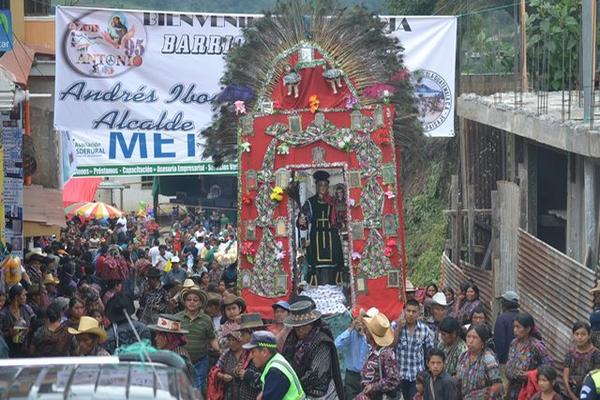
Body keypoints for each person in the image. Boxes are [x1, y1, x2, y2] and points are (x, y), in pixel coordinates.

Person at [282, 300, 345, 399]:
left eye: (303, 326)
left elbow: (315, 374)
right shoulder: (292, 340)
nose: (300, 330)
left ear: (311, 324)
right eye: (297, 328)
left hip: (319, 395)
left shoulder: (322, 342)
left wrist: (292, 385)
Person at [297, 170, 345, 285]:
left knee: (335, 257)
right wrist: (301, 220)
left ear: (328, 186)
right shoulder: (310, 202)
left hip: (331, 234)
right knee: (315, 259)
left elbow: (340, 216)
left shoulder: (333, 201)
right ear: (317, 186)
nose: (322, 187)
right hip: (316, 235)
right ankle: (316, 283)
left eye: (325, 185)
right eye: (320, 185)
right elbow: (302, 220)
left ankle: (334, 283)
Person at [175, 286, 219, 390]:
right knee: (182, 388)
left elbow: (212, 338)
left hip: (200, 361)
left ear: (200, 303)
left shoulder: (206, 319)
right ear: (185, 302)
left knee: (197, 388)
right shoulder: (177, 318)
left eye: (195, 300)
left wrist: (219, 349)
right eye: (189, 300)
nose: (192, 302)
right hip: (181, 361)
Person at [243, 330, 305, 400]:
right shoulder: (275, 360)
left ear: (264, 352)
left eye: (253, 351)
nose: (251, 356)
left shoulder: (276, 372)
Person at [393, 299, 434, 400]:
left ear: (418, 313)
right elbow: (391, 345)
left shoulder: (424, 329)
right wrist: (398, 328)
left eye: (414, 311)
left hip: (416, 376)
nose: (411, 314)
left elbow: (430, 352)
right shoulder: (395, 326)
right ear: (404, 311)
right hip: (399, 376)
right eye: (408, 311)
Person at [505, 313, 553, 400]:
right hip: (513, 388)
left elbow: (549, 365)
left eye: (518, 327)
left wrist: (532, 373)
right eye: (514, 327)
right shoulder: (513, 343)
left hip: (527, 389)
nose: (515, 330)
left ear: (527, 329)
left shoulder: (536, 345)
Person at [355, 311, 400, 400]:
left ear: (370, 335)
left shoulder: (386, 355)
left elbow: (393, 380)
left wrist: (373, 386)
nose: (365, 331)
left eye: (367, 330)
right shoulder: (373, 352)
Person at [455, 324, 503, 399]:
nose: (470, 341)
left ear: (482, 341)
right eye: (468, 336)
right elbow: (458, 378)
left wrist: (488, 395)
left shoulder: (488, 359)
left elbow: (498, 385)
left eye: (475, 338)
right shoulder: (463, 356)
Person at [335, 310, 369, 399]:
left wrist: (364, 336)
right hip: (352, 376)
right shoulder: (351, 333)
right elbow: (337, 344)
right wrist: (350, 329)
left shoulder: (371, 336)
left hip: (368, 375)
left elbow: (371, 350)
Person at [148, 314, 194, 378]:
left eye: (159, 335)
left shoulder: (181, 357)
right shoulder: (161, 351)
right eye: (156, 334)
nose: (156, 338)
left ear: (170, 338)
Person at [563, 321, 600, 400]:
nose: (580, 337)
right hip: (570, 394)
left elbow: (596, 376)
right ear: (573, 335)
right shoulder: (570, 352)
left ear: (589, 335)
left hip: (589, 394)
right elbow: (565, 376)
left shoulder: (596, 354)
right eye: (577, 334)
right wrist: (571, 395)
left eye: (583, 334)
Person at [212, 322, 245, 400]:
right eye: (229, 340)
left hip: (244, 392)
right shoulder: (226, 354)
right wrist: (223, 376)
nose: (230, 343)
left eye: (233, 340)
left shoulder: (247, 353)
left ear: (240, 340)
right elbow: (215, 370)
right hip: (229, 392)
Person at [0, 285, 34, 357]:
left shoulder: (26, 309)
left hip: (24, 348)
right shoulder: (4, 314)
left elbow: (33, 323)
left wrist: (28, 329)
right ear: (16, 297)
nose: (25, 297)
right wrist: (10, 333)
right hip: (10, 349)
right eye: (23, 295)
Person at [494, 290, 520, 365]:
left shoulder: (502, 319)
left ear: (504, 304)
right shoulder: (522, 317)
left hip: (505, 361)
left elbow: (500, 342)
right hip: (520, 360)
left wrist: (499, 360)